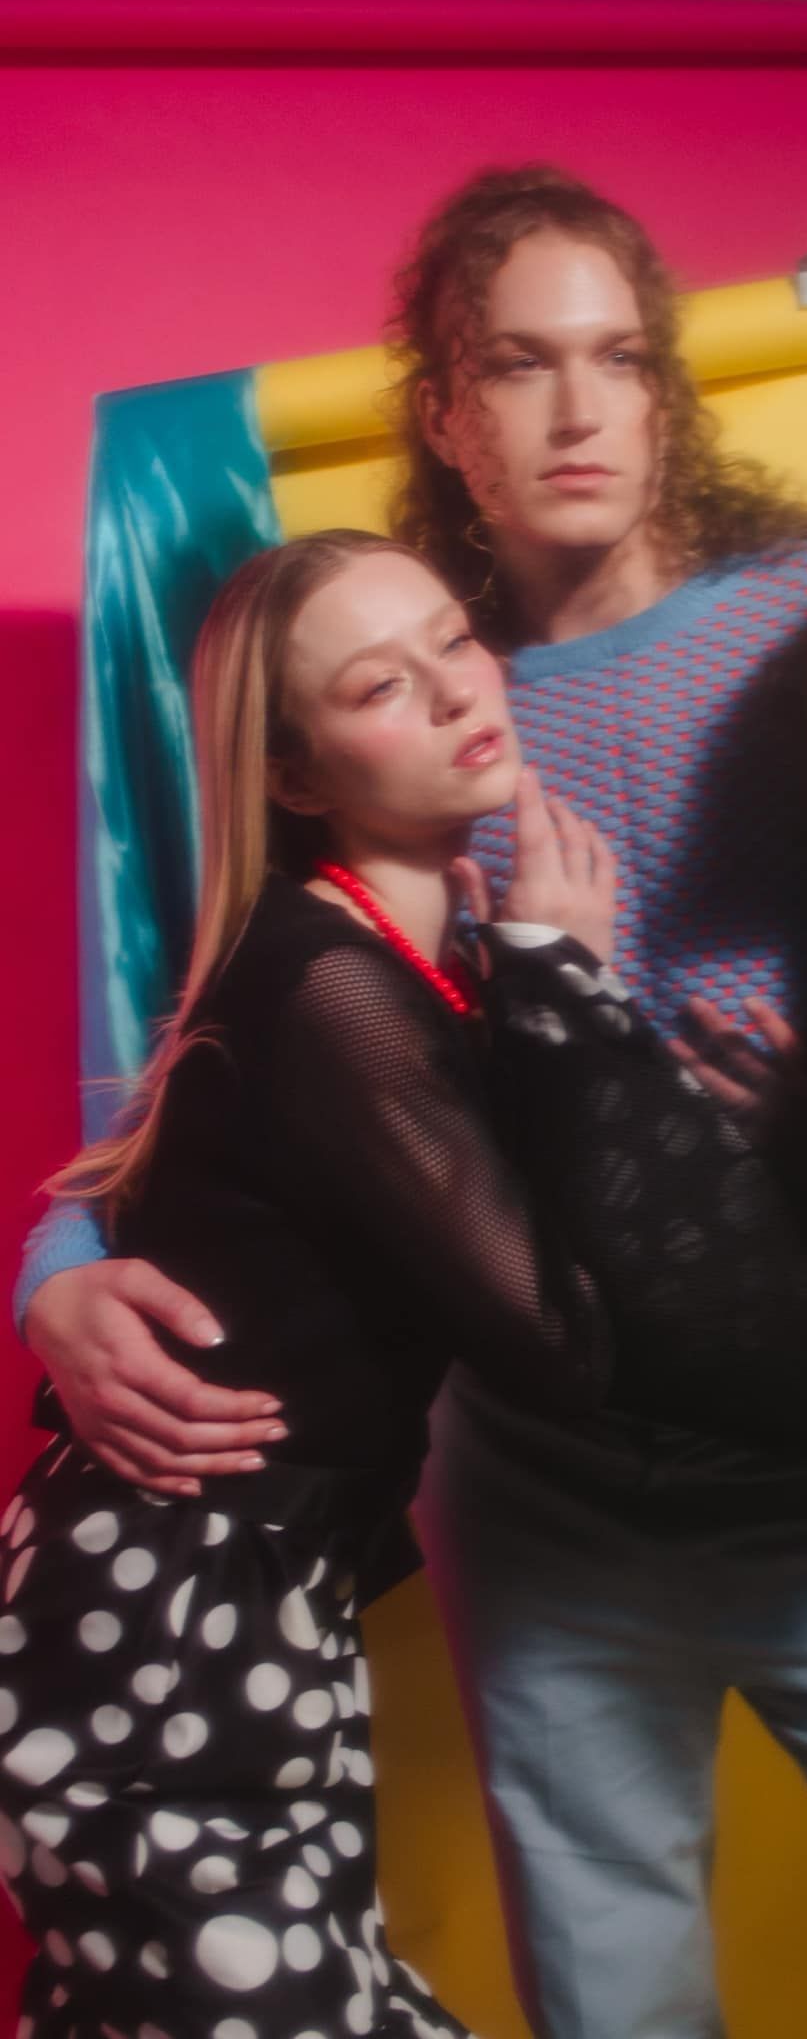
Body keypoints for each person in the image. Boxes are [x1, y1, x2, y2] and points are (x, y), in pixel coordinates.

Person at [16, 169, 807, 2039]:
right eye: (518, 365)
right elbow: (224, 1019)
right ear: (442, 412)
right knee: (611, 1985)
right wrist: (58, 1258)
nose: (579, 412)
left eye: (619, 359)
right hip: (548, 1485)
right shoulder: (396, 673)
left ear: (667, 389)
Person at [0, 526, 666, 2037]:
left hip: (246, 1598)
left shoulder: (420, 968)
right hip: (166, 1607)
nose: (448, 692)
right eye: (380, 683)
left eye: (453, 641)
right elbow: (562, 1340)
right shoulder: (329, 986)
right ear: (295, 776)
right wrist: (576, 986)